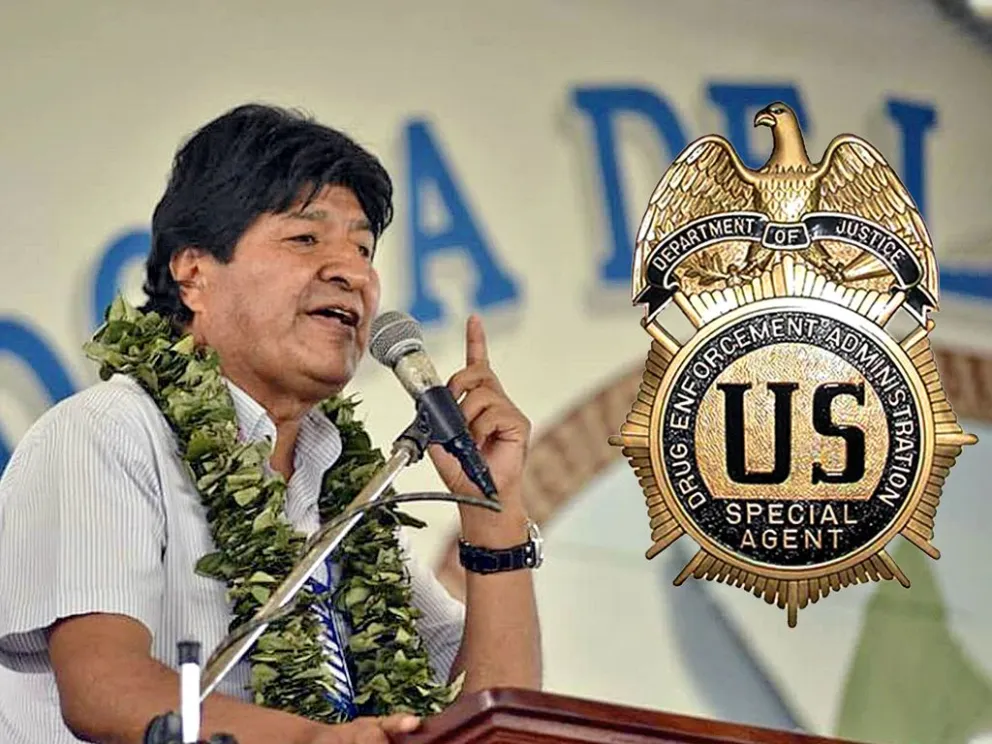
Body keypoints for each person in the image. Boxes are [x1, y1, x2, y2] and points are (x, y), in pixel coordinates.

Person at [0, 104, 542, 744]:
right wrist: (313, 742)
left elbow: (492, 722)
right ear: (195, 272)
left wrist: (491, 505)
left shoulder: (342, 485)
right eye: (305, 239)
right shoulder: (108, 432)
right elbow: (104, 688)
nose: (353, 272)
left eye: (363, 247)